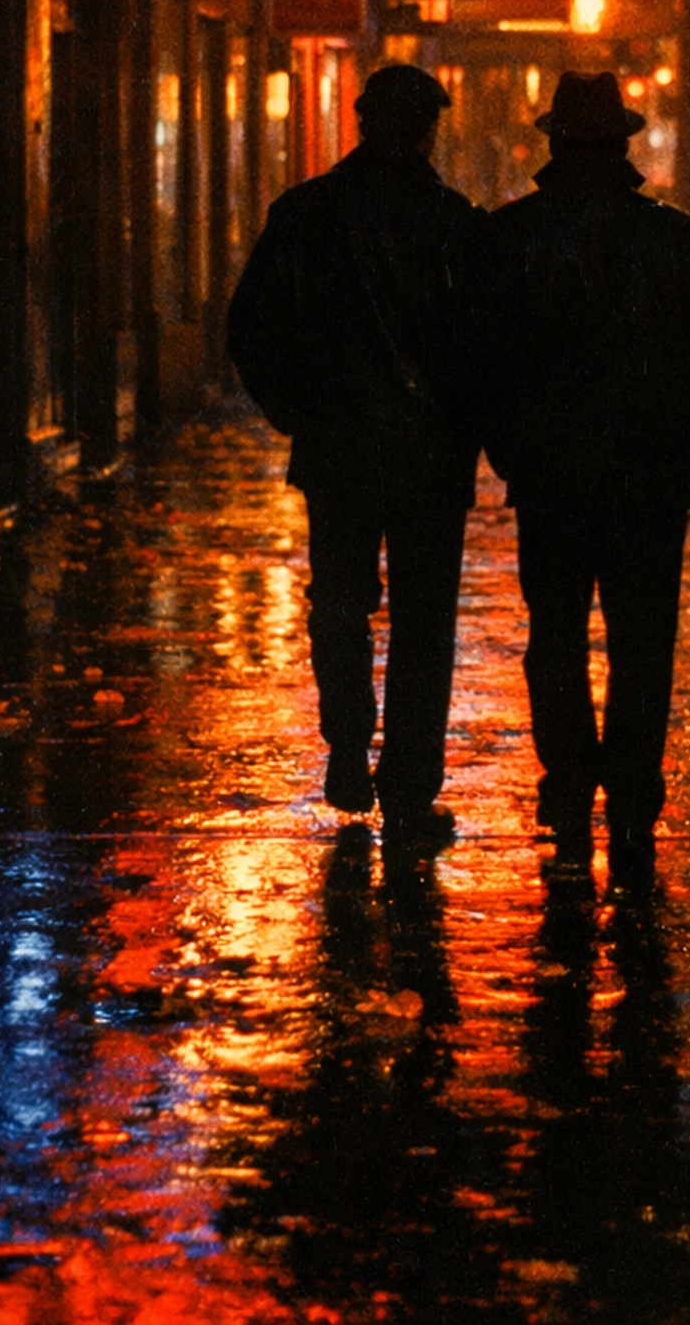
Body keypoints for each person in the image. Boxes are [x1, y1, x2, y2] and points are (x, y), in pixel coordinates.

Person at [477, 71, 690, 882]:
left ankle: (567, 791)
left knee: (553, 639)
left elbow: (478, 368)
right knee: (641, 647)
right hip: (647, 485)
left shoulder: (511, 237)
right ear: (623, 146)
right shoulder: (673, 239)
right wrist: (675, 451)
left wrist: (514, 453)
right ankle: (630, 804)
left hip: (552, 481)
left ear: (553, 142)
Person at [227, 64, 479, 849]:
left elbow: (249, 329)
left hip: (336, 452)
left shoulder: (305, 215)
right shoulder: (451, 224)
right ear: (428, 128)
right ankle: (408, 786)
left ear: (363, 121)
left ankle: (346, 748)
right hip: (431, 461)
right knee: (423, 622)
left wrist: (299, 413)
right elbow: (485, 346)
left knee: (339, 602)